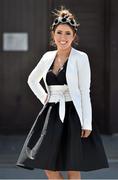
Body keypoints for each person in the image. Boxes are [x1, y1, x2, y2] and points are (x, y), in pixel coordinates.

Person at [16, 6, 109, 180]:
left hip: (74, 116)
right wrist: (45, 98)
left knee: (73, 167)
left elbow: (84, 91)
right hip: (50, 116)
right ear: (53, 35)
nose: (63, 37)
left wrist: (86, 123)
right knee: (48, 166)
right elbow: (32, 80)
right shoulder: (47, 57)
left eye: (68, 33)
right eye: (59, 33)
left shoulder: (81, 58)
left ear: (74, 36)